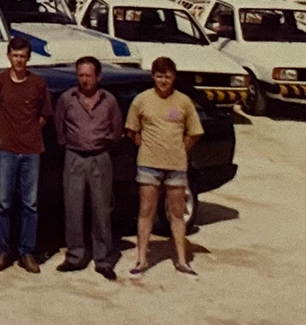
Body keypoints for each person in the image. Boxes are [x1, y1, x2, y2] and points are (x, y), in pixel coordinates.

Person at [125, 56, 203, 276]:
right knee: (146, 211)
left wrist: (179, 149)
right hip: (148, 165)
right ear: (153, 76)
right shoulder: (141, 100)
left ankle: (182, 259)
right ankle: (141, 260)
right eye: (159, 76)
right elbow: (131, 129)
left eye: (167, 76)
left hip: (176, 166)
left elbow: (194, 132)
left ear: (174, 77)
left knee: (177, 214)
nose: (163, 81)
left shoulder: (184, 102)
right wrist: (144, 145)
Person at [0, 36, 53, 273]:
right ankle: (3, 251)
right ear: (8, 56)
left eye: (23, 56)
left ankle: (27, 253)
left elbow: (44, 115)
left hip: (32, 151)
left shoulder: (38, 84)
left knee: (30, 204)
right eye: (15, 56)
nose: (19, 60)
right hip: (5, 150)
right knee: (3, 202)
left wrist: (31, 131)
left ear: (29, 57)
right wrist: (5, 130)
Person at [54, 55, 122, 279]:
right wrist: (71, 145)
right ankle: (75, 256)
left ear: (98, 76)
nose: (84, 80)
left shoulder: (109, 101)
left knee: (102, 209)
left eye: (88, 75)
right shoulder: (67, 99)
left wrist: (100, 146)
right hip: (74, 157)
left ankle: (102, 259)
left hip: (100, 158)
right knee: (73, 208)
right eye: (80, 75)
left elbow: (116, 130)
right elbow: (59, 127)